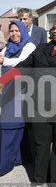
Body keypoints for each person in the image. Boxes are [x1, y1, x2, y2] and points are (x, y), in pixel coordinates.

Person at [0, 17, 56, 186]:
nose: (54, 31)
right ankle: (39, 177)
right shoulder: (42, 48)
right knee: (40, 142)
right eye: (53, 28)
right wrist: (4, 80)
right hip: (39, 103)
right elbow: (24, 66)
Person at [0, 21, 36, 175]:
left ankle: (5, 162)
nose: (14, 34)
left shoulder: (29, 46)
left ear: (23, 31)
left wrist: (5, 61)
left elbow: (23, 63)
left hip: (21, 89)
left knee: (11, 124)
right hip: (7, 89)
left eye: (17, 31)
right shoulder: (8, 47)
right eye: (12, 31)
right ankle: (19, 157)